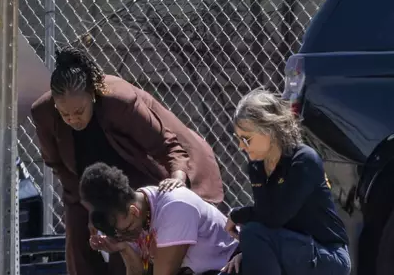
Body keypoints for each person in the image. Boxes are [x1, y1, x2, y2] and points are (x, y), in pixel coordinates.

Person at [30, 46, 225, 275]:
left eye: (79, 111)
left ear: (92, 94)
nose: (73, 119)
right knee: (80, 247)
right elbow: (58, 165)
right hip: (86, 187)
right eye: (65, 114)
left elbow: (166, 145)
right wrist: (90, 208)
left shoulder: (119, 102)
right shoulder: (43, 114)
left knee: (127, 233)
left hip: (136, 173)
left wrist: (178, 179)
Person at [220, 89, 351, 275]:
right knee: (237, 265)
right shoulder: (257, 165)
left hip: (328, 256)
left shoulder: (304, 159)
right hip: (291, 246)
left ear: (269, 130)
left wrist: (237, 215)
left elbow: (275, 217)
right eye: (238, 139)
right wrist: (244, 252)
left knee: (251, 231)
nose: (241, 146)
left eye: (246, 139)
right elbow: (263, 214)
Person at [80, 162, 239, 275]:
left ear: (134, 211)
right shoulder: (132, 219)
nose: (128, 237)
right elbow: (139, 272)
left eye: (126, 232)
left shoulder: (175, 206)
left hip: (232, 265)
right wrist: (123, 248)